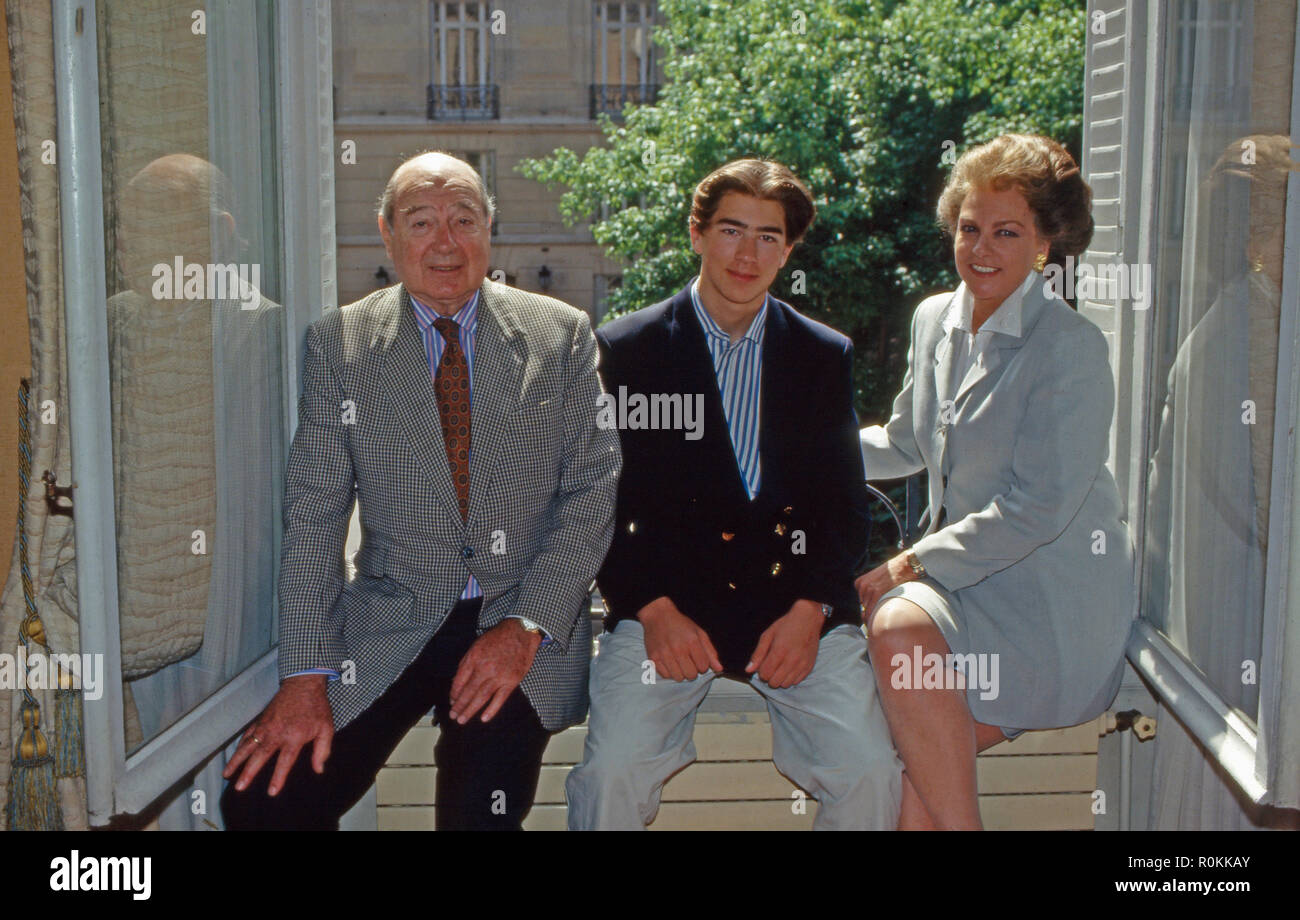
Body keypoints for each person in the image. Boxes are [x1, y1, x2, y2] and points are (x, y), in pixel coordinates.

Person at [220, 151, 621, 830]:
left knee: (477, 813)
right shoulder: (339, 345)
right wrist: (306, 678)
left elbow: (592, 490)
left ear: (490, 230)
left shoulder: (561, 335)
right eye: (421, 221)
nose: (445, 242)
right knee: (264, 802)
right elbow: (315, 518)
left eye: (464, 219)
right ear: (387, 232)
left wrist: (526, 626)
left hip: (520, 618)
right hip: (394, 617)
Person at [566, 158, 901, 830]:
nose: (747, 254)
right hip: (666, 610)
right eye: (730, 231)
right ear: (696, 233)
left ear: (789, 249)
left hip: (792, 611)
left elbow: (843, 505)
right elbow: (598, 500)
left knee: (870, 772)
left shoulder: (821, 353)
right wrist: (650, 607)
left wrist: (812, 608)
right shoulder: (625, 348)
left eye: (768, 237)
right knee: (611, 775)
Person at [857, 134, 1136, 830]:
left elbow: (1037, 509)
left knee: (895, 626)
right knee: (906, 768)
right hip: (966, 595)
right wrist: (784, 448)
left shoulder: (1070, 347)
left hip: (1046, 606)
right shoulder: (934, 318)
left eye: (1006, 232)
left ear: (1047, 244)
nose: (980, 248)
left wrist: (909, 562)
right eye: (969, 227)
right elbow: (903, 442)